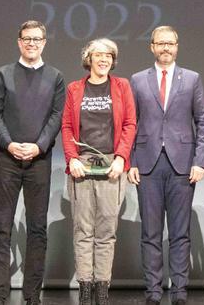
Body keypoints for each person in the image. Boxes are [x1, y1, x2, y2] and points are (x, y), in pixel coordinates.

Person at [127, 25, 204, 305]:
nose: (165, 48)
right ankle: (152, 292)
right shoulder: (137, 80)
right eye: (160, 43)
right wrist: (131, 162)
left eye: (170, 43)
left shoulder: (192, 79)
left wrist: (200, 161)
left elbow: (203, 122)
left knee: (180, 233)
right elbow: (130, 124)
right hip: (147, 164)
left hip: (183, 165)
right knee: (150, 233)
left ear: (177, 46)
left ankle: (179, 292)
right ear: (151, 46)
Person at [0, 21, 66, 305]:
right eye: (26, 39)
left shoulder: (55, 77)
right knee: (1, 228)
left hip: (39, 160)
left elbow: (57, 116)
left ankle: (32, 296)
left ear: (44, 42)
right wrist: (9, 144)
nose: (32, 43)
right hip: (6, 159)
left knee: (37, 229)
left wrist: (38, 146)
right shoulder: (3, 74)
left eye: (37, 39)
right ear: (19, 42)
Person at [61, 38, 136, 305]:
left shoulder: (121, 86)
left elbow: (129, 124)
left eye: (108, 56)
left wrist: (121, 158)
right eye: (98, 55)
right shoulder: (73, 89)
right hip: (82, 165)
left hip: (112, 166)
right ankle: (84, 288)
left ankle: (102, 290)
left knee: (106, 232)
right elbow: (68, 127)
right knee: (83, 231)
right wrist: (72, 159)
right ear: (89, 59)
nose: (104, 60)